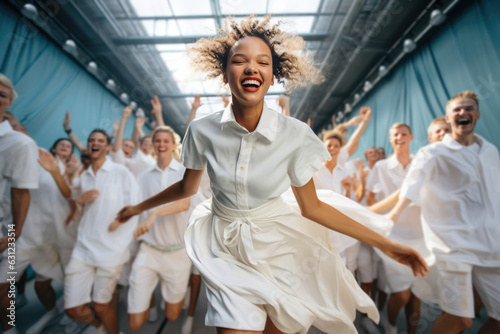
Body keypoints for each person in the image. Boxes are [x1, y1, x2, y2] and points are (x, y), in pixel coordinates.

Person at [115, 16, 427, 334]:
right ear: (225, 73)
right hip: (225, 248)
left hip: (281, 247)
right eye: (240, 61)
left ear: (272, 75)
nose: (252, 68)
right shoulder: (202, 130)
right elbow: (186, 186)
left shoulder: (295, 134)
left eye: (263, 62)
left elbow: (313, 207)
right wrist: (138, 208)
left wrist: (388, 245)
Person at [388, 91, 500, 334]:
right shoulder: (432, 153)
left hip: (491, 245)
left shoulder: (490, 151)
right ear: (448, 118)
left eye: (468, 108)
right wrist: (393, 215)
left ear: (477, 115)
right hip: (453, 245)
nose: (463, 113)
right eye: (457, 110)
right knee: (461, 319)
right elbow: (411, 186)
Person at [64, 129, 138, 334]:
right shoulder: (84, 177)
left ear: (107, 147)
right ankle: (100, 328)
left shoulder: (121, 172)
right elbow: (77, 215)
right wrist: (79, 202)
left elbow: (135, 208)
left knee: (101, 306)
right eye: (91, 140)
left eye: (100, 141)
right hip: (83, 249)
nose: (95, 143)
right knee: (72, 309)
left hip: (111, 252)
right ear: (88, 146)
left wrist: (120, 223)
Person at [121, 126, 192, 331]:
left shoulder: (183, 172)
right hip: (149, 251)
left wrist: (154, 213)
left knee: (172, 314)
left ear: (173, 145)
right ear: (153, 146)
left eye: (165, 141)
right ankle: (150, 300)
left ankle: (172, 294)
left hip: (177, 253)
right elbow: (136, 207)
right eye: (157, 141)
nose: (161, 144)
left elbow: (184, 204)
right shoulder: (143, 177)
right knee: (134, 324)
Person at [0, 74, 39, 334]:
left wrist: (14, 233)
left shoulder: (21, 145)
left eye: (2, 94)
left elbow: (21, 194)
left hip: (8, 235)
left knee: (4, 288)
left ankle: (10, 327)